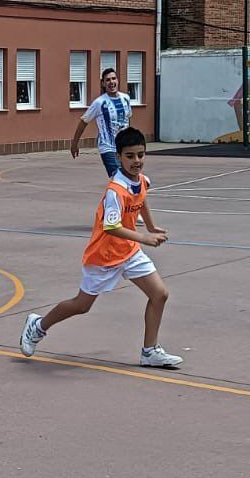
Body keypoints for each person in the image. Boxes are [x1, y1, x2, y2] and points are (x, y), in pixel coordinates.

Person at [20, 126, 180, 369]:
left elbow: (142, 198)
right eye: (130, 156)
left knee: (160, 294)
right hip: (104, 255)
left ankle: (150, 351)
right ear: (118, 157)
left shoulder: (141, 180)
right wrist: (144, 237)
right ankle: (38, 326)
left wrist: (151, 225)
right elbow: (111, 226)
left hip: (128, 251)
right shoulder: (115, 191)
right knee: (82, 306)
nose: (136, 161)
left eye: (140, 155)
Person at [70, 68, 133, 177]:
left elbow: (127, 120)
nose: (111, 82)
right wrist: (74, 144)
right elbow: (83, 121)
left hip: (124, 147)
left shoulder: (126, 98)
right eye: (108, 80)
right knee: (118, 178)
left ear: (117, 81)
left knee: (128, 178)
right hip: (108, 148)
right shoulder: (99, 103)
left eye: (113, 79)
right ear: (103, 83)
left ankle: (117, 194)